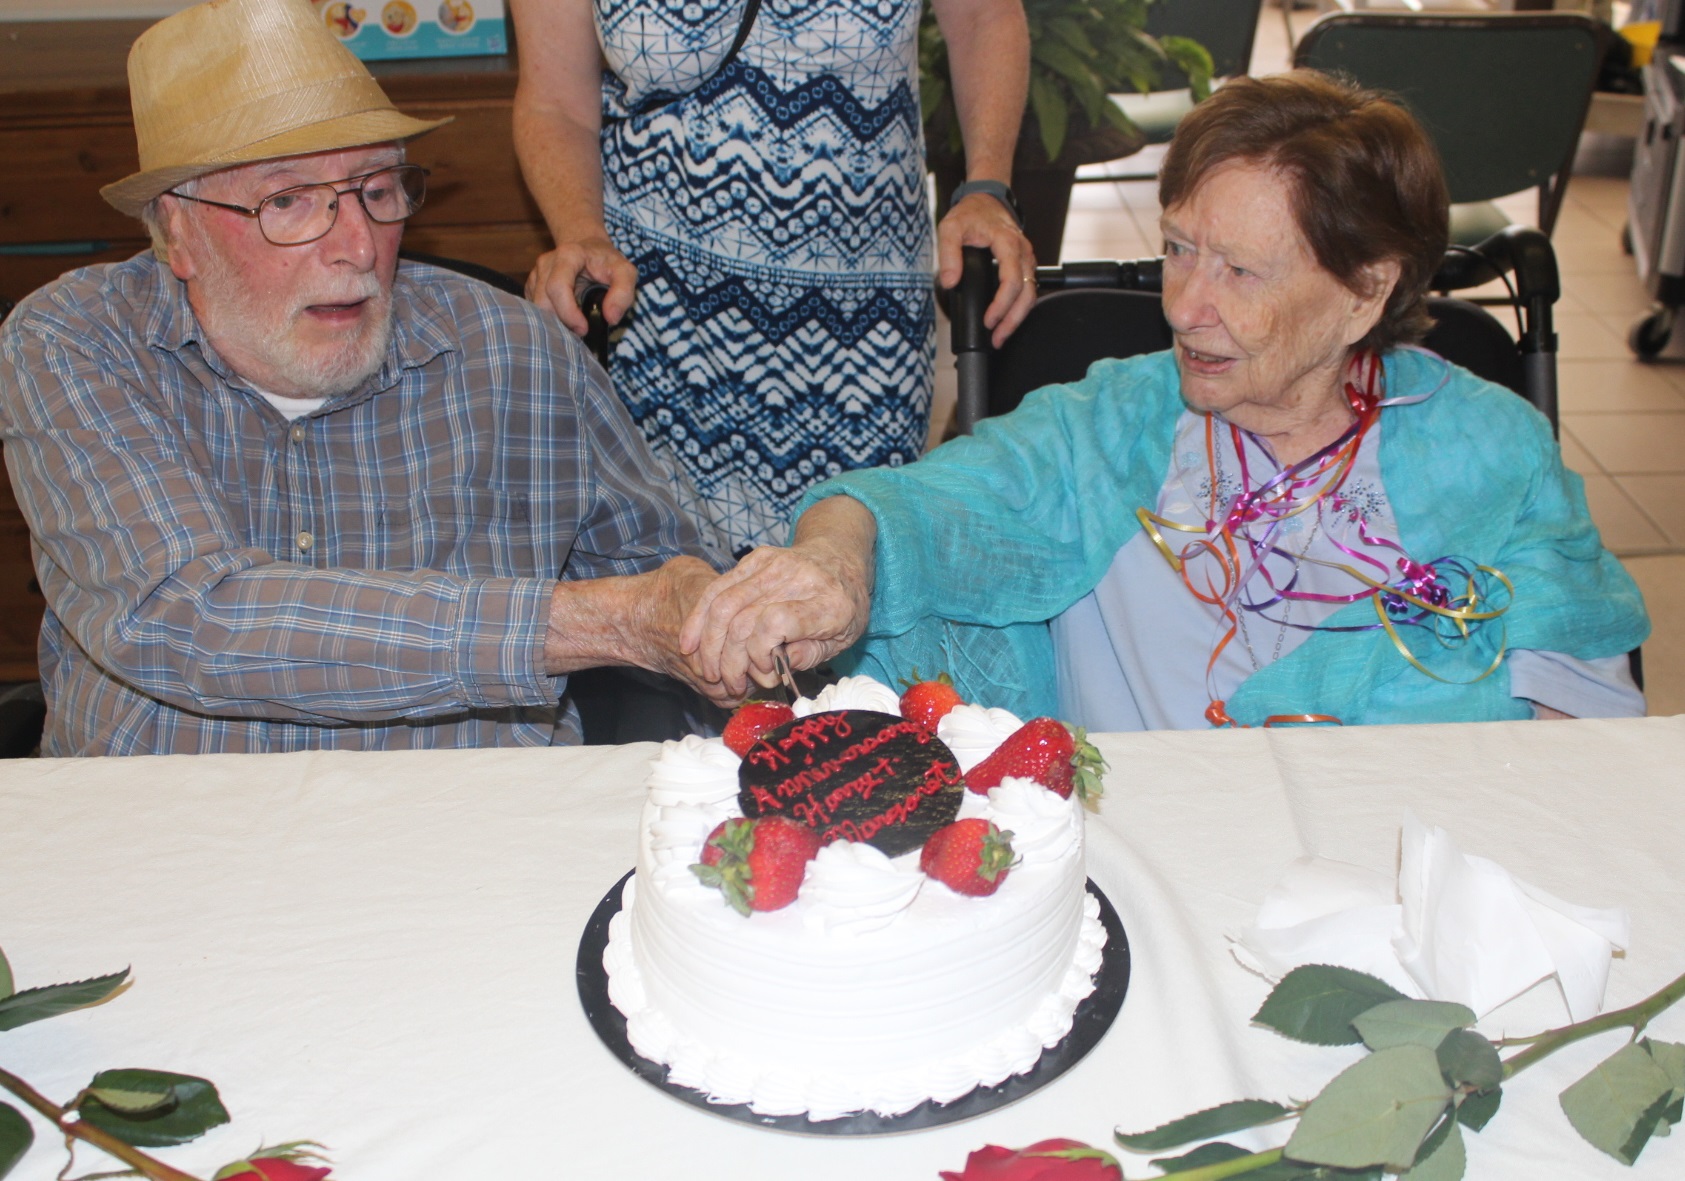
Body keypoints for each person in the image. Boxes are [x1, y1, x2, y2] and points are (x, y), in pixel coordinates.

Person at [678, 71, 1651, 728]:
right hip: (1133, 876)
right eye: (1181, 247)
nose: (1185, 305)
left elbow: (1574, 723)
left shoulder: (1492, 455)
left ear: (1365, 289)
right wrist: (833, 557)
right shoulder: (1113, 425)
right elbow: (928, 506)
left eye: (1239, 270)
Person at [0, 0, 730, 757]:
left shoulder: (518, 351)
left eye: (377, 191)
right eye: (288, 200)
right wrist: (602, 621)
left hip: (467, 830)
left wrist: (766, 605)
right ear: (176, 231)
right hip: (168, 835)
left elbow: (682, 591)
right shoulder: (76, 341)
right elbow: (184, 618)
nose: (357, 245)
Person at [509, 0, 1037, 557]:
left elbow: (985, 18)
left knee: (852, 566)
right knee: (669, 589)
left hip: (862, 315)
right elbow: (555, 102)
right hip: (653, 310)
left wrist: (986, 188)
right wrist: (581, 231)